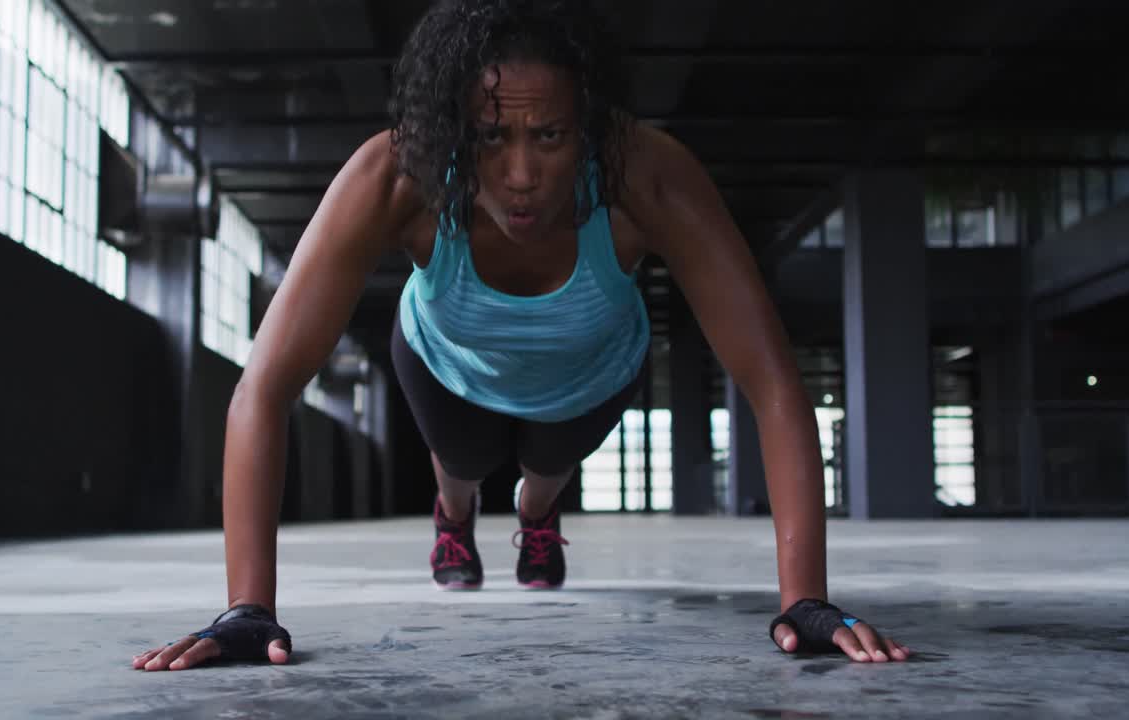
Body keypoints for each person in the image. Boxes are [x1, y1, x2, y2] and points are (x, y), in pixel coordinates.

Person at [133, 0, 911, 672]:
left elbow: (772, 382)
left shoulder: (647, 175)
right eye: (488, 139)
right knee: (463, 467)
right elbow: (262, 389)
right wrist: (246, 610)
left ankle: (539, 520)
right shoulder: (393, 177)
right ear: (450, 131)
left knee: (546, 471)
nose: (518, 174)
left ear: (592, 131)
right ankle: (455, 519)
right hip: (446, 364)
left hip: (593, 373)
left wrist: (805, 600)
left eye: (549, 137)